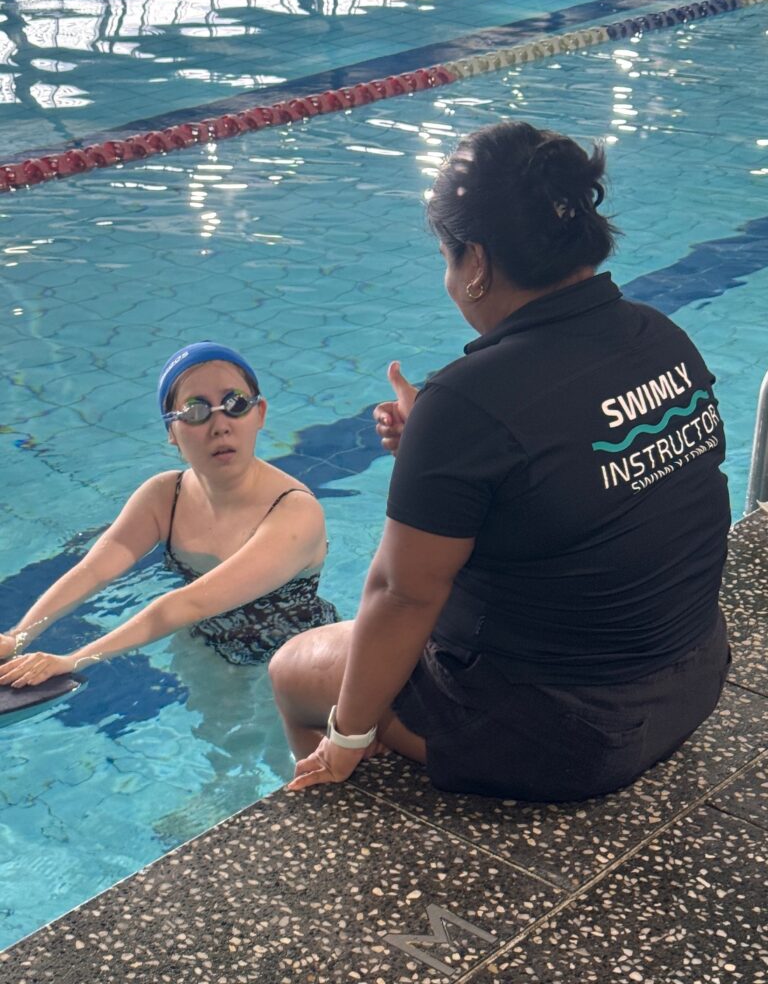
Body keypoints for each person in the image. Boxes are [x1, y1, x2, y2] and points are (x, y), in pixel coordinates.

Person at [269, 120, 731, 801]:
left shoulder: (467, 401)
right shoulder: (658, 334)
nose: (450, 278)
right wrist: (429, 459)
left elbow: (400, 594)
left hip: (575, 736)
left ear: (478, 263)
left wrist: (349, 732)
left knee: (292, 669)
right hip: (694, 678)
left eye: (448, 257)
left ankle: (342, 822)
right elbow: (569, 479)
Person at [0, 341, 339, 688]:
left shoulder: (294, 511)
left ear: (260, 413)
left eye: (235, 404)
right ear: (171, 432)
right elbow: (95, 569)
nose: (220, 425)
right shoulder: (164, 497)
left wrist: (72, 660)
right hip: (207, 646)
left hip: (297, 666)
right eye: (195, 411)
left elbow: (189, 603)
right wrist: (19, 636)